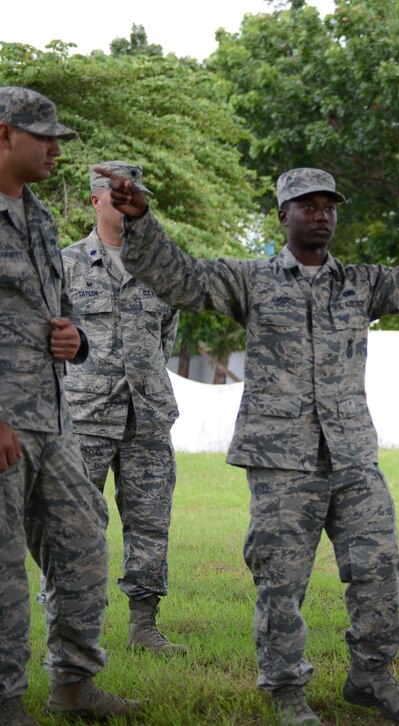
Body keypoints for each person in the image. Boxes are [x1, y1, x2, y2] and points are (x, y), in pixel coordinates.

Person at [97, 165, 399, 726]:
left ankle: (371, 675)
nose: (321, 215)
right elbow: (180, 278)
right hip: (280, 460)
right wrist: (142, 221)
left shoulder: (360, 283)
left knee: (379, 567)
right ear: (283, 215)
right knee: (281, 581)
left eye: (329, 206)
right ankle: (286, 688)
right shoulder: (253, 280)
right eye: (308, 205)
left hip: (352, 455)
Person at [0, 86, 140, 724]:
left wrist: (76, 338)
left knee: (82, 540)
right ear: (5, 135)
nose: (57, 150)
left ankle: (74, 684)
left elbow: (60, 311)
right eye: (45, 138)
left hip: (52, 420)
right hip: (4, 423)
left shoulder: (37, 217)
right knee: (3, 566)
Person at [53, 161, 185, 655]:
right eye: (118, 196)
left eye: (135, 196)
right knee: (73, 526)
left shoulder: (160, 266)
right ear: (95, 200)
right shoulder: (65, 265)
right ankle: (68, 631)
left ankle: (143, 627)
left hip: (147, 417)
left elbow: (167, 337)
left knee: (150, 522)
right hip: (83, 419)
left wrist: (144, 383)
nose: (128, 205)